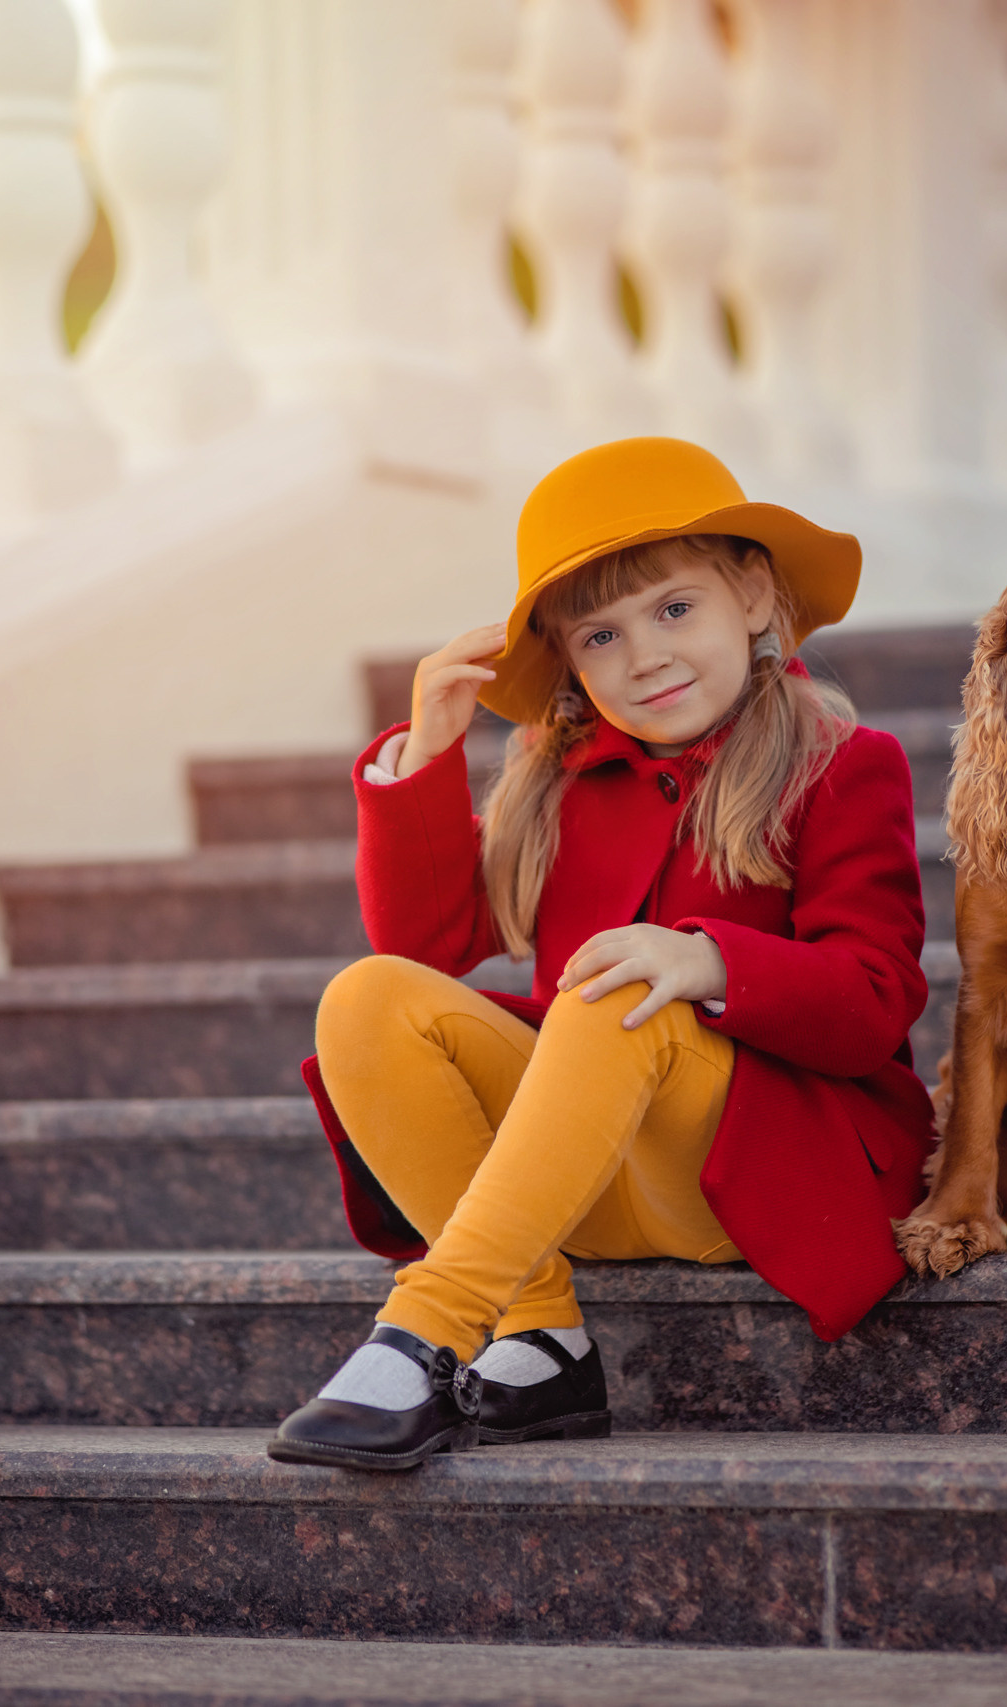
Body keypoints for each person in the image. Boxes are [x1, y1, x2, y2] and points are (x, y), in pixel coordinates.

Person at [271, 436, 933, 1472]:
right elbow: (426, 946)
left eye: (676, 609)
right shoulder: (562, 779)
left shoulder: (843, 766)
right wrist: (427, 753)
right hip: (577, 1173)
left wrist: (710, 962)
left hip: (743, 1166)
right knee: (365, 998)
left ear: (754, 596)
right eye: (600, 636)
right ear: (572, 664)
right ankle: (538, 1330)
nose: (645, 656)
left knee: (615, 984)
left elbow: (876, 996)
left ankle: (433, 1324)